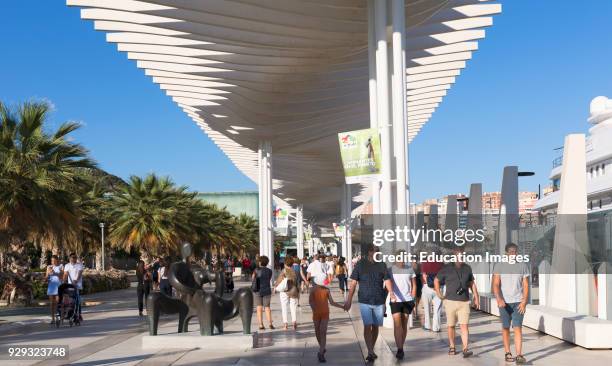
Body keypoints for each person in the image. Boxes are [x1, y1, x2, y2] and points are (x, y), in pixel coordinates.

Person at [345, 244, 396, 362]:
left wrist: (391, 293)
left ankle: (371, 349)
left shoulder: (382, 264)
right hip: (364, 299)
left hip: (379, 299)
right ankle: (370, 351)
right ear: (369, 252)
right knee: (367, 325)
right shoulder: (360, 265)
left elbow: (387, 280)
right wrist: (349, 300)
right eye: (375, 251)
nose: (377, 253)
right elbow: (353, 283)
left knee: (376, 326)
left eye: (378, 251)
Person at [434, 248, 480, 358]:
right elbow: (436, 280)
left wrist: (476, 297)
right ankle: (452, 346)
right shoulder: (446, 268)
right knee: (451, 326)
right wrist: (439, 293)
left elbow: (472, 283)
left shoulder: (467, 268)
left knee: (464, 326)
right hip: (450, 301)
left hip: (464, 302)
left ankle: (465, 348)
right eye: (459, 256)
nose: (461, 258)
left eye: (462, 256)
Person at [492, 243, 530, 364]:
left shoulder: (522, 265)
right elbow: (496, 284)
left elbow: (525, 284)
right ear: (507, 253)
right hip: (504, 303)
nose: (514, 254)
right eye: (512, 251)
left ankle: (519, 355)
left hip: (518, 302)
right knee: (506, 328)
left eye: (516, 251)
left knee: (518, 328)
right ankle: (507, 352)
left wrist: (524, 301)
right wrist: (499, 299)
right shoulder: (499, 265)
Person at [388, 252, 417, 360]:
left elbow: (414, 285)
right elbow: (388, 284)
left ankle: (401, 346)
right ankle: (400, 349)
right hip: (395, 300)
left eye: (404, 258)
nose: (402, 260)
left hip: (408, 300)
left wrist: (413, 298)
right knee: (397, 324)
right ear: (396, 258)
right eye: (400, 258)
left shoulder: (410, 269)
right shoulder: (390, 270)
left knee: (404, 324)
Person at [309, 278, 344, 363]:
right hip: (316, 313)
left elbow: (331, 302)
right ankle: (322, 347)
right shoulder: (313, 290)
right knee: (317, 331)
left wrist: (342, 306)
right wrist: (314, 309)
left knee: (323, 331)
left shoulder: (327, 290)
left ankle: (321, 353)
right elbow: (310, 301)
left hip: (325, 313)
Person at [421, 254, 444, 332]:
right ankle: (436, 328)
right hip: (439, 288)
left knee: (427, 308)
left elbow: (424, 275)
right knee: (437, 309)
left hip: (427, 288)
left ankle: (427, 326)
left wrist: (430, 284)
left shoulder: (425, 263)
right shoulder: (441, 264)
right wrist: (436, 287)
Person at [275, 257, 299, 330]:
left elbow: (279, 280)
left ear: (285, 263)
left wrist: (275, 287)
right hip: (293, 290)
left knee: (284, 307)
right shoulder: (295, 270)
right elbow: (296, 281)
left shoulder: (284, 271)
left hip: (285, 291)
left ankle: (285, 324)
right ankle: (294, 321)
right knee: (293, 307)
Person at [252, 255, 274, 330]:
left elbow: (253, 278)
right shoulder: (269, 271)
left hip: (257, 290)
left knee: (259, 307)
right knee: (267, 307)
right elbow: (269, 278)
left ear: (260, 262)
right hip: (267, 290)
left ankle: (261, 325)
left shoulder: (256, 270)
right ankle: (270, 323)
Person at [63, 253, 84, 320]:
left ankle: (79, 314)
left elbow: (80, 273)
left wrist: (76, 280)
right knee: (71, 300)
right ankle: (70, 314)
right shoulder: (67, 266)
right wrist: (64, 282)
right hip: (70, 286)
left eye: (75, 257)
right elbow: (65, 275)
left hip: (77, 285)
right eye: (72, 257)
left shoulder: (79, 265)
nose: (73, 259)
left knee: (77, 300)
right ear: (69, 258)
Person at [46, 255, 63, 324]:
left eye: (54, 261)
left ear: (57, 260)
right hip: (51, 286)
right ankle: (53, 318)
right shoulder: (49, 267)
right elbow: (46, 277)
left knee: (58, 303)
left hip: (58, 286)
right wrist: (48, 274)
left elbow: (61, 276)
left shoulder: (60, 266)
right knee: (51, 304)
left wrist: (54, 272)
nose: (53, 262)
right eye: (52, 261)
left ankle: (58, 317)